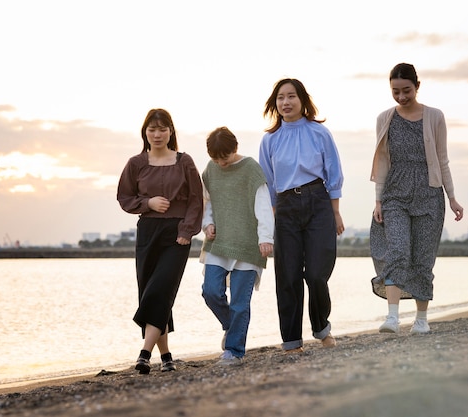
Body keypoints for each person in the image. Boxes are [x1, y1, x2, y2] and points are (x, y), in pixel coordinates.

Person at [370, 63, 464, 334]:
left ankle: (421, 320)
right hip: (395, 193)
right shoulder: (384, 118)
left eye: (406, 91)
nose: (401, 97)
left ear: (417, 86)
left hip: (429, 193)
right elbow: (383, 162)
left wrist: (453, 198)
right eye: (395, 91)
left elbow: (442, 160)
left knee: (423, 258)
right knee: (397, 251)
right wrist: (378, 200)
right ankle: (392, 318)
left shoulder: (435, 116)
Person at [259, 78, 345, 354]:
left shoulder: (320, 133)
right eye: (280, 98)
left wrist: (336, 212)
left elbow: (333, 173)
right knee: (288, 275)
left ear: (302, 100)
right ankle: (292, 340)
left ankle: (321, 328)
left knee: (318, 273)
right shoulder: (269, 140)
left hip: (318, 202)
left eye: (291, 96)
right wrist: (272, 218)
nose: (286, 102)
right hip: (285, 208)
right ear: (275, 104)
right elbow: (268, 182)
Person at [117, 108, 203, 374]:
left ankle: (144, 354)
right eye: (152, 129)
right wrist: (148, 202)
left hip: (177, 234)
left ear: (171, 131)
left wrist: (186, 231)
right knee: (151, 293)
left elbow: (196, 200)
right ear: (145, 132)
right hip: (148, 231)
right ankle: (166, 356)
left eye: (162, 129)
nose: (157, 134)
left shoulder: (184, 161)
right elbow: (124, 197)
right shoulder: (136, 163)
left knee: (160, 290)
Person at [200, 127, 274, 366]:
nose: (221, 163)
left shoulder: (251, 168)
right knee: (211, 291)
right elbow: (207, 201)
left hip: (248, 244)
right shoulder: (210, 170)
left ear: (235, 148)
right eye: (216, 158)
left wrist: (266, 238)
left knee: (240, 302)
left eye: (226, 157)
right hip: (219, 242)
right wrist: (207, 223)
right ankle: (231, 327)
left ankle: (234, 350)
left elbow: (263, 204)